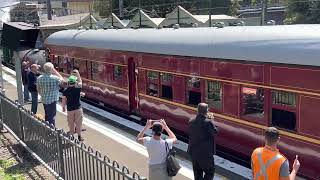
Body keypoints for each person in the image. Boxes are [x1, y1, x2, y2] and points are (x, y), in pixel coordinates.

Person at [188, 103, 218, 180]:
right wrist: (212, 120)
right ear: (207, 111)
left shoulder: (191, 121)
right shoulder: (208, 122)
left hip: (194, 152)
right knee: (210, 171)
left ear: (197, 110)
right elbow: (214, 132)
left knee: (197, 173)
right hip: (205, 153)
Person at [61, 70, 84, 141]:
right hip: (78, 108)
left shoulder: (65, 91)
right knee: (78, 123)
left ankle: (72, 136)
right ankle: (80, 136)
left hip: (70, 109)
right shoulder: (78, 89)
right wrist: (78, 74)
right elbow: (80, 82)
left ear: (68, 82)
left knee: (71, 123)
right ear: (75, 82)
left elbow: (64, 100)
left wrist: (63, 107)